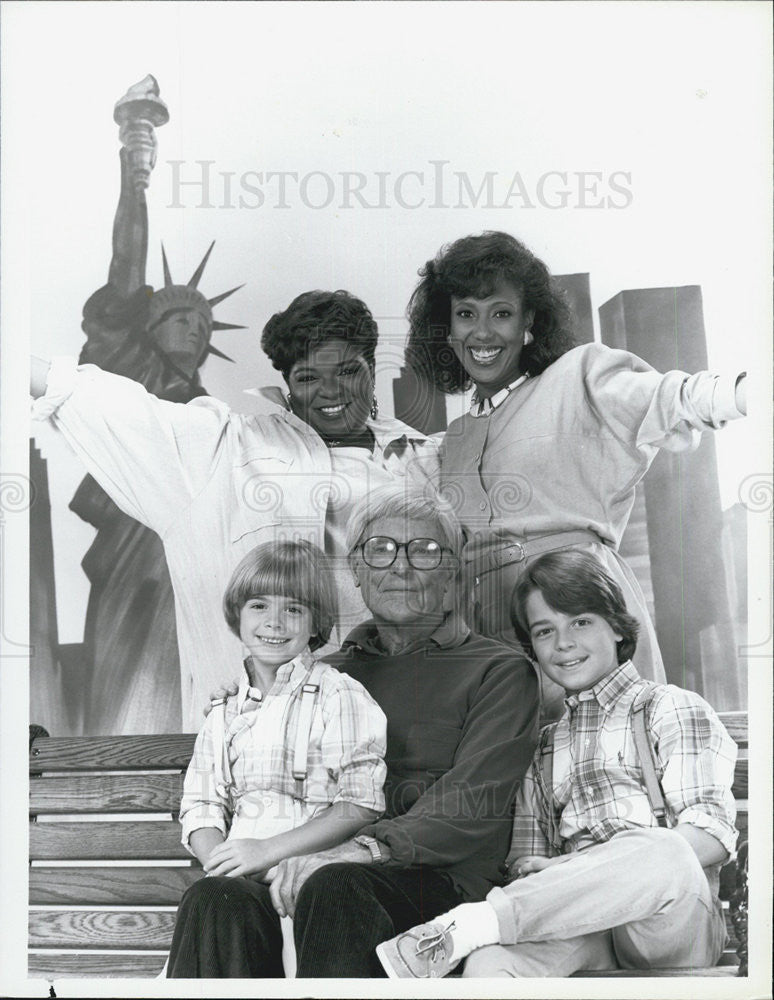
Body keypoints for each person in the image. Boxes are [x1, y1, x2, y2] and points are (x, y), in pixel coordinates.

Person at [31, 290, 439, 730]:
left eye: (347, 371)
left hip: (394, 729)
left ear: (372, 370)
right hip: (248, 744)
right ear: (287, 385)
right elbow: (109, 404)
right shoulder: (225, 450)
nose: (330, 391)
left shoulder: (427, 462)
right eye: (308, 377)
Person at [183, 484, 539, 977]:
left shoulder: (498, 670)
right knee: (216, 898)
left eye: (426, 551)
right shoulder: (320, 674)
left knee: (338, 885)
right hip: (303, 868)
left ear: (454, 569)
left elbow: (471, 801)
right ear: (355, 568)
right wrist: (242, 701)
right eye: (381, 549)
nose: (401, 566)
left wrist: (361, 849)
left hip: (433, 884)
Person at [405, 230, 748, 709]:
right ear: (446, 328)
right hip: (489, 644)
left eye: (501, 313)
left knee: (611, 765)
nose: (482, 333)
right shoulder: (452, 442)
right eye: (466, 314)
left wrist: (743, 392)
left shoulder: (579, 376)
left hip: (579, 614)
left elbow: (669, 397)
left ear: (529, 322)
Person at [376, 549, 737, 978]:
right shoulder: (544, 746)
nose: (563, 643)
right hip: (580, 925)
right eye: (545, 631)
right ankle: (474, 937)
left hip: (668, 924)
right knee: (490, 964)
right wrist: (552, 872)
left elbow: (709, 835)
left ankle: (467, 925)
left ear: (618, 629)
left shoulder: (667, 707)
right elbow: (525, 867)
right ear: (532, 647)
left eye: (581, 622)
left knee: (666, 847)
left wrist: (576, 865)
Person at [68, 111, 244, 733]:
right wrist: (133, 169)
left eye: (200, 325)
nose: (193, 330)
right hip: (134, 544)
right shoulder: (126, 366)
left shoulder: (206, 412)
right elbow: (125, 273)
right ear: (146, 328)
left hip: (196, 557)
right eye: (177, 318)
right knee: (128, 664)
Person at [166, 539, 387, 977]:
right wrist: (224, 865)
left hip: (309, 875)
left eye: (293, 609)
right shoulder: (224, 711)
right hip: (240, 883)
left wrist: (266, 851)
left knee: (310, 896)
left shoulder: (338, 693)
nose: (274, 622)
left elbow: (359, 803)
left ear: (316, 623)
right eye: (258, 605)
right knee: (211, 898)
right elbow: (202, 806)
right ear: (237, 615)